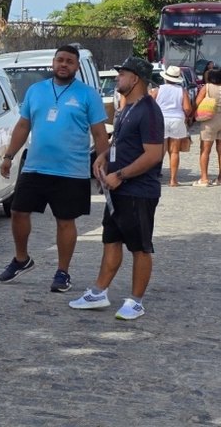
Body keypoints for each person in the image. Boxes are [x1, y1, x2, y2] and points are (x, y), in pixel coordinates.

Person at [0, 45, 110, 292]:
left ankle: (62, 272)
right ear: (53, 63)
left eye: (69, 61)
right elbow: (23, 125)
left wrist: (103, 163)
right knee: (17, 212)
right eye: (60, 60)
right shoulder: (36, 91)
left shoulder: (87, 94)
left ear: (77, 67)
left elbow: (100, 132)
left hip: (71, 170)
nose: (64, 64)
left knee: (65, 221)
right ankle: (21, 259)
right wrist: (8, 156)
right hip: (36, 167)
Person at [69, 57, 164, 320]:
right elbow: (120, 142)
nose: (117, 78)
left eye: (122, 74)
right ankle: (99, 292)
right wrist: (102, 158)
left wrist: (120, 175)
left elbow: (154, 154)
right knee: (111, 240)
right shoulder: (126, 108)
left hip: (138, 191)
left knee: (140, 247)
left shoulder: (149, 110)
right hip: (117, 191)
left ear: (135, 79)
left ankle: (136, 301)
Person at [150, 65, 191, 186]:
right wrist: (186, 116)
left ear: (165, 78)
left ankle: (154, 176)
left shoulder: (157, 90)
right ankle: (173, 180)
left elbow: (149, 105)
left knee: (159, 150)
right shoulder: (182, 91)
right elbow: (187, 108)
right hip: (177, 120)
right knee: (174, 151)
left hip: (160, 120)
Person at [193, 68, 221, 186]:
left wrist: (192, 116)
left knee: (205, 150)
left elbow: (197, 102)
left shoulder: (207, 87)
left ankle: (204, 178)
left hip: (210, 120)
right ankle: (220, 178)